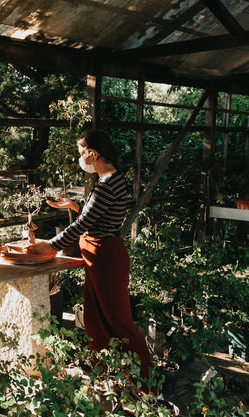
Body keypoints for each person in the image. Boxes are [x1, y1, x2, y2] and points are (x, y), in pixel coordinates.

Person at [28, 129, 154, 390]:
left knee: (119, 322)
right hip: (100, 255)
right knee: (97, 320)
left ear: (93, 153)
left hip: (105, 256)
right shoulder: (111, 179)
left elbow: (87, 223)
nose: (80, 158)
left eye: (81, 153)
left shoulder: (107, 183)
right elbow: (99, 214)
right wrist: (75, 207)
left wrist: (48, 245)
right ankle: (113, 380)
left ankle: (148, 388)